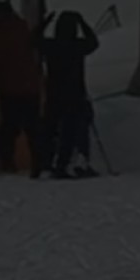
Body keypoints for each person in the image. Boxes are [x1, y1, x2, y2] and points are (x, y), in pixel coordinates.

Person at [39, 11, 100, 178]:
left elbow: (33, 41)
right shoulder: (77, 46)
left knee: (50, 131)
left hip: (54, 94)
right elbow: (94, 42)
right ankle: (64, 164)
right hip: (75, 95)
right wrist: (83, 23)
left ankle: (46, 163)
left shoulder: (51, 45)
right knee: (70, 131)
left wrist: (45, 23)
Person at [0, 2, 47, 178]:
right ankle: (38, 162)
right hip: (30, 88)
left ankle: (7, 161)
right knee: (32, 128)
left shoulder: (2, 33)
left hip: (9, 89)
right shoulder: (23, 28)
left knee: (9, 128)